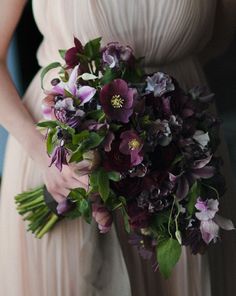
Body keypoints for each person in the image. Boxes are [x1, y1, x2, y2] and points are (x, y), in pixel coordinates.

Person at [0, 0, 235, 295]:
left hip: (180, 159)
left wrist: (156, 111)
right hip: (61, 163)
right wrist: (43, 153)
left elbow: (217, 38)